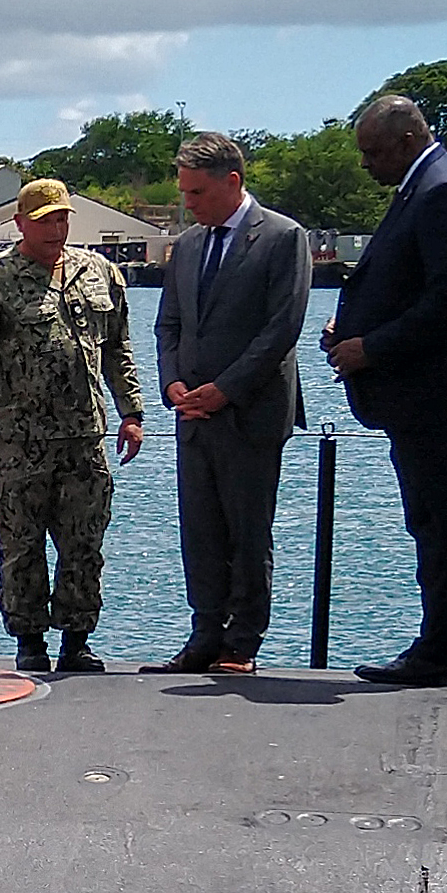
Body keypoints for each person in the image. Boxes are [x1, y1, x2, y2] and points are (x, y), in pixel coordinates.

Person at [319, 93, 447, 684]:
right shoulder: (428, 184)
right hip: (428, 392)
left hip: (438, 394)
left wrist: (370, 347)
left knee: (441, 522)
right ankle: (442, 643)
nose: (366, 164)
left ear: (407, 141)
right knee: (432, 519)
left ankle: (444, 651)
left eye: (373, 152)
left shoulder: (442, 191)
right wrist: (352, 328)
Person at [0, 175, 147, 675]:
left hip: (84, 439)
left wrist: (132, 412)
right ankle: (29, 641)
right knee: (21, 545)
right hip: (15, 441)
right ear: (20, 224)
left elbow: (118, 347)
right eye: (44, 221)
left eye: (61, 219)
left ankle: (77, 641)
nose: (55, 229)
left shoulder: (99, 272)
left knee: (84, 543)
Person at [153, 132, 310, 673]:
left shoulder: (283, 238)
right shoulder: (189, 245)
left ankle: (242, 641)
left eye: (196, 193)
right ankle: (203, 634)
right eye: (185, 193)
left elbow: (281, 329)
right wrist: (172, 384)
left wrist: (225, 390)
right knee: (199, 529)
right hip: (192, 414)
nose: (188, 204)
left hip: (250, 413)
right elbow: (169, 324)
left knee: (247, 531)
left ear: (232, 183)